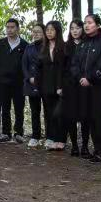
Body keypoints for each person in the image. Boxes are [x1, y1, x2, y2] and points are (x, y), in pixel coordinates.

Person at [75, 14, 101, 162]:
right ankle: (94, 149)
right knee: (88, 118)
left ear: (98, 25)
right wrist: (80, 78)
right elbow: (75, 64)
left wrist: (90, 78)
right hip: (83, 86)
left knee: (98, 118)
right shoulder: (83, 43)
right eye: (85, 23)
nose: (86, 25)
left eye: (90, 23)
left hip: (98, 87)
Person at [0, 18, 28, 143]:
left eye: (12, 27)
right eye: (8, 27)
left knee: (19, 108)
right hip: (3, 82)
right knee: (5, 108)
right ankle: (6, 133)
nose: (9, 30)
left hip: (19, 83)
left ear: (18, 29)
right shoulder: (1, 43)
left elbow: (26, 64)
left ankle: (19, 133)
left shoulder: (24, 45)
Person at [36, 20, 65, 150]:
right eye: (47, 30)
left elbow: (64, 69)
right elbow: (39, 69)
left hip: (60, 86)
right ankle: (51, 137)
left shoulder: (63, 47)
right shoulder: (43, 48)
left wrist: (61, 86)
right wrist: (38, 85)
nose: (49, 32)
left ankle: (61, 139)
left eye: (52, 30)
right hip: (46, 86)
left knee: (59, 114)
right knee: (49, 113)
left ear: (57, 31)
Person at [63, 20, 88, 156]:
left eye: (78, 28)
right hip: (70, 86)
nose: (75, 31)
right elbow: (62, 68)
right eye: (72, 28)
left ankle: (85, 146)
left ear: (82, 29)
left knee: (85, 116)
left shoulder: (87, 44)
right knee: (71, 116)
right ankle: (74, 146)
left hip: (84, 85)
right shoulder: (66, 46)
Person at [22, 24, 45, 148]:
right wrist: (29, 77)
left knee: (48, 111)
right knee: (35, 111)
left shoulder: (48, 46)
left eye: (38, 32)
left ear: (44, 33)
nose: (35, 34)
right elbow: (24, 64)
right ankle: (35, 136)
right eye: (34, 32)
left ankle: (50, 136)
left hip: (46, 83)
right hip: (31, 83)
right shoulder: (29, 47)